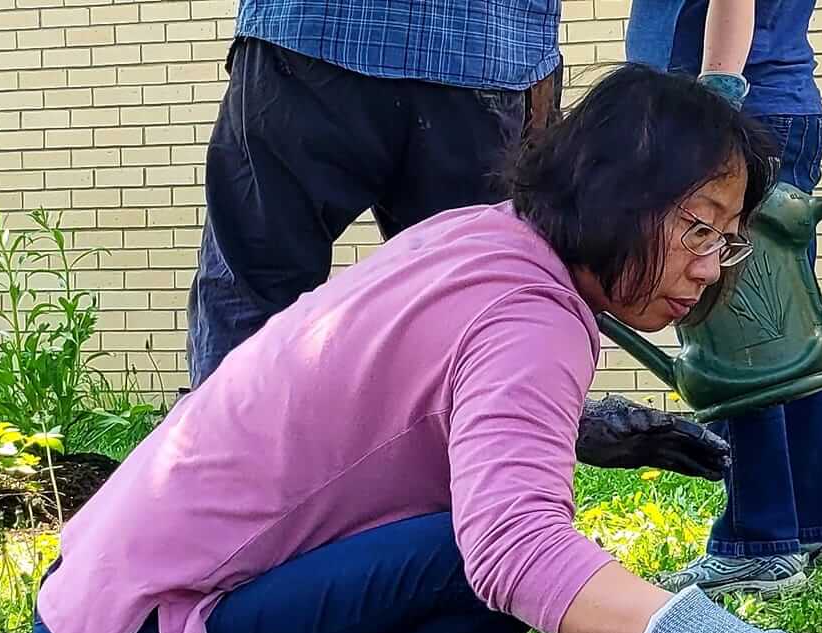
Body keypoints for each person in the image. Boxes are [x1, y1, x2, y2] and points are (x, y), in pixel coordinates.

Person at [28, 68, 822, 633]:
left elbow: (392, 398)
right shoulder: (530, 314)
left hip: (98, 630)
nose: (711, 267)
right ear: (614, 196)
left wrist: (579, 427)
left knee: (480, 528)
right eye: (696, 228)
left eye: (727, 239)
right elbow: (515, 551)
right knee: (485, 552)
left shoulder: (483, 238)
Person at [186, 1, 565, 389]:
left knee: (252, 301)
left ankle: (220, 427)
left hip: (308, 34)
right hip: (481, 51)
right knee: (475, 320)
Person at [625, 0, 822, 596]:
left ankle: (759, 542)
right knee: (787, 326)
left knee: (736, 330)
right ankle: (811, 525)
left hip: (734, 109)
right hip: (774, 100)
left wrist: (716, 100)